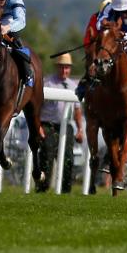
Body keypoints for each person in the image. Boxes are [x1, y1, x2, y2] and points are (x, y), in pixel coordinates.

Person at [40, 53, 85, 193]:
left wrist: (80, 129)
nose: (64, 71)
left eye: (67, 68)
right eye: (62, 67)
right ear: (57, 67)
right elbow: (37, 107)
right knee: (47, 154)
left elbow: (77, 110)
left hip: (66, 125)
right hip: (47, 124)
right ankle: (43, 187)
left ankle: (66, 190)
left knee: (68, 158)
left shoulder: (73, 86)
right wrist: (38, 127)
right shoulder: (47, 83)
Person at [75, 0, 111, 101]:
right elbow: (88, 38)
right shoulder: (95, 17)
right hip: (97, 49)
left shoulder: (119, 19)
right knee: (92, 64)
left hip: (113, 50)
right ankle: (86, 83)